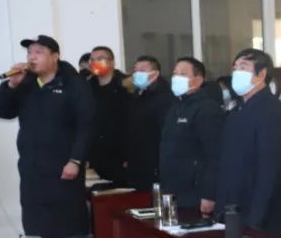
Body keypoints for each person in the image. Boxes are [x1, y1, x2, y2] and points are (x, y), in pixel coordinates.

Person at [0, 36, 95, 238]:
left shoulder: (73, 84)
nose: (31, 57)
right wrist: (11, 85)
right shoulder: (26, 83)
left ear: (55, 56)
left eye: (38, 52)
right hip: (33, 168)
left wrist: (75, 160)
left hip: (65, 167)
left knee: (70, 225)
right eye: (29, 52)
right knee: (45, 225)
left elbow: (86, 126)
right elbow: (1, 110)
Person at [214, 48, 281, 238]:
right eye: (235, 68)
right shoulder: (237, 110)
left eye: (243, 67)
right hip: (233, 207)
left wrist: (256, 219)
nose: (236, 73)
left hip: (258, 215)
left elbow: (271, 170)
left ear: (261, 74)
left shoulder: (271, 111)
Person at [160, 57, 225, 217]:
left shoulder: (207, 109)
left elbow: (215, 155)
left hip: (195, 192)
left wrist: (209, 194)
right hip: (174, 188)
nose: (176, 78)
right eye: (175, 73)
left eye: (183, 74)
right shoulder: (176, 107)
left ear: (198, 80)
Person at [123, 55, 175, 191]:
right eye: (135, 70)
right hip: (138, 160)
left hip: (154, 162)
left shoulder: (165, 97)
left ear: (155, 73)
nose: (137, 74)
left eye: (142, 70)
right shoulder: (138, 95)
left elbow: (164, 132)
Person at [87, 45, 131, 183]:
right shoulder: (87, 87)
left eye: (100, 59)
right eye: (92, 59)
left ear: (112, 62)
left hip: (121, 156)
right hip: (95, 156)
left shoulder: (126, 85)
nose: (95, 63)